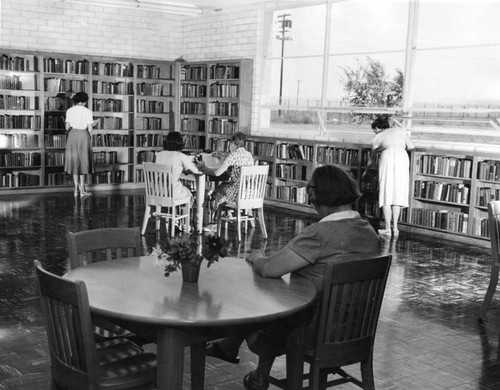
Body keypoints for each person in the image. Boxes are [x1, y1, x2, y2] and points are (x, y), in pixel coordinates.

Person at [206, 165, 381, 390]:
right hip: (356, 330)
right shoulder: (369, 232)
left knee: (262, 302)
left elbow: (271, 268)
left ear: (316, 195)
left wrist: (257, 256)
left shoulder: (319, 234)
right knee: (283, 298)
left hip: (313, 334)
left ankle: (232, 349)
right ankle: (246, 362)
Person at [363, 115, 415, 237]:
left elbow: (371, 159)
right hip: (402, 157)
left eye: (374, 130)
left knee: (386, 192)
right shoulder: (399, 131)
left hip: (387, 157)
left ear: (377, 128)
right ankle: (395, 228)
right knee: (398, 193)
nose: (374, 132)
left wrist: (366, 171)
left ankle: (387, 229)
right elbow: (411, 146)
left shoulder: (378, 137)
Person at [197, 131, 254, 223]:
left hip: (237, 193)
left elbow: (217, 173)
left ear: (232, 144)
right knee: (224, 187)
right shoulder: (249, 155)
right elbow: (236, 169)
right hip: (249, 191)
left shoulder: (233, 155)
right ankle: (227, 213)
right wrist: (222, 156)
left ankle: (215, 220)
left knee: (218, 190)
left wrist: (204, 168)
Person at [155, 130, 201, 204]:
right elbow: (196, 171)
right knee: (188, 192)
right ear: (180, 143)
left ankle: (174, 212)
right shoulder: (180, 156)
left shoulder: (159, 155)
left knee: (183, 187)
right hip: (173, 192)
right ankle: (186, 215)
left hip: (159, 190)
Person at [64, 92, 94, 197]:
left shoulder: (69, 111)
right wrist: (93, 125)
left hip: (72, 136)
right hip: (83, 136)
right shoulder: (88, 111)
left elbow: (67, 128)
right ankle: (82, 189)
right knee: (83, 161)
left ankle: (75, 189)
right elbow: (90, 129)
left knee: (74, 161)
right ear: (85, 101)